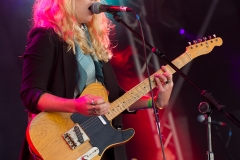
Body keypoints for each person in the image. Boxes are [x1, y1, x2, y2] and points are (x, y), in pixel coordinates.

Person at [19, 0, 173, 159]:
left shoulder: (94, 41)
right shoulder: (46, 36)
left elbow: (115, 97)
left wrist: (154, 102)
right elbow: (31, 94)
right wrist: (75, 106)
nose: (95, 2)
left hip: (96, 146)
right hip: (60, 142)